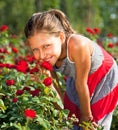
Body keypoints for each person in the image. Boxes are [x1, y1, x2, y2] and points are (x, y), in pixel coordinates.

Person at [24, 9, 118, 130]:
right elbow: (58, 101)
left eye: (46, 46)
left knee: (94, 122)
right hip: (78, 78)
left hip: (104, 75)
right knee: (72, 118)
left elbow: (81, 84)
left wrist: (87, 118)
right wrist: (46, 83)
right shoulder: (46, 57)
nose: (41, 55)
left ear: (61, 37)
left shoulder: (77, 45)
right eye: (35, 49)